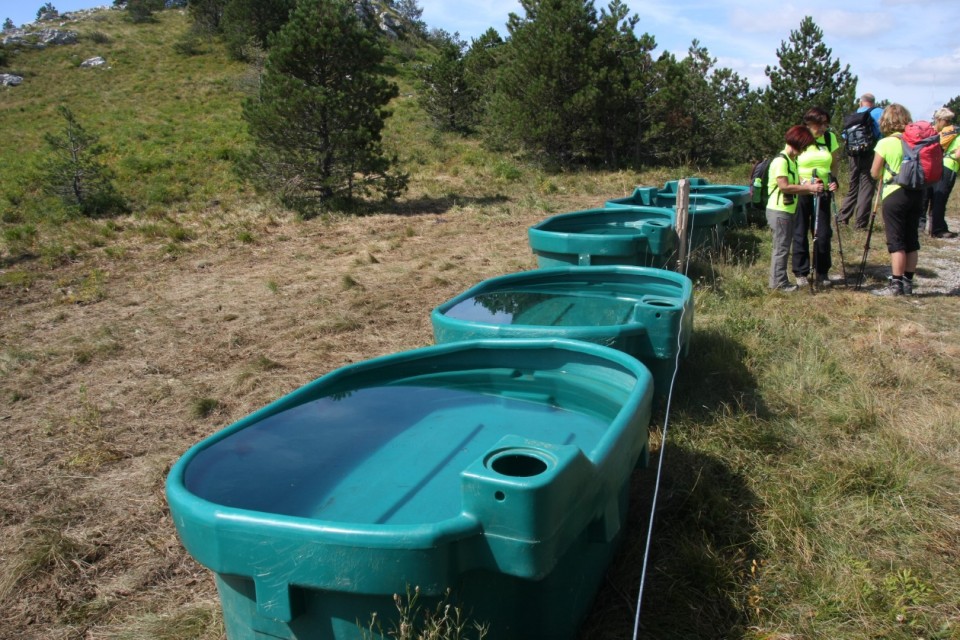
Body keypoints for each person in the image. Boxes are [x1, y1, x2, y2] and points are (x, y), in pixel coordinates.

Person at [870, 104, 922, 296]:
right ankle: (908, 282)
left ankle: (896, 284)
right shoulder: (916, 142)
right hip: (917, 192)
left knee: (896, 240)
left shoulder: (885, 143)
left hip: (894, 193)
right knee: (911, 240)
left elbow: (875, 173)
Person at [767, 125, 824, 292]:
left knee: (784, 246)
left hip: (787, 210)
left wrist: (810, 183)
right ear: (797, 143)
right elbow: (784, 186)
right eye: (804, 146)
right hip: (779, 211)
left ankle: (780, 280)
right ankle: (778, 283)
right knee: (781, 247)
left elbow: (798, 181)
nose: (804, 150)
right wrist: (809, 189)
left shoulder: (792, 161)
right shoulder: (780, 161)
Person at [793, 107, 840, 287]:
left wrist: (833, 179)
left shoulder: (829, 139)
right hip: (803, 190)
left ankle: (822, 271)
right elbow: (791, 162)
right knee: (800, 229)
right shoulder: (800, 137)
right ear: (809, 123)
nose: (823, 129)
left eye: (825, 125)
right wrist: (802, 183)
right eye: (819, 125)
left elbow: (834, 162)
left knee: (822, 232)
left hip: (823, 190)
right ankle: (801, 271)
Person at [838, 93, 883, 229]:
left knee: (853, 187)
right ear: (873, 102)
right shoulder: (879, 112)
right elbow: (882, 132)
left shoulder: (855, 114)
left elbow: (844, 135)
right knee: (866, 188)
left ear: (861, 102)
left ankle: (842, 218)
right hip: (870, 153)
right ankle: (861, 223)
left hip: (854, 155)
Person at [926, 107, 959, 238]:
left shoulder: (934, 132)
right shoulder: (957, 133)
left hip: (934, 165)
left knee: (930, 197)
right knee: (940, 198)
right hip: (949, 166)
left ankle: (924, 227)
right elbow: (957, 155)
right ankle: (938, 229)